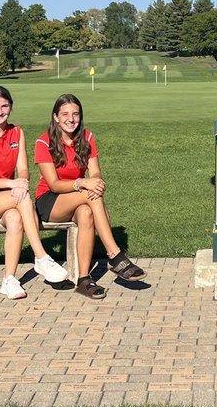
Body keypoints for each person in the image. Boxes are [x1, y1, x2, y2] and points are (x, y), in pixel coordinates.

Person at [34, 94, 145, 300]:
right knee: (89, 195)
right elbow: (54, 185)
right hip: (50, 200)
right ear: (55, 117)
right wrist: (82, 183)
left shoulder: (87, 137)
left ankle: (83, 280)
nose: (71, 119)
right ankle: (114, 255)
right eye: (65, 114)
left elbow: (95, 173)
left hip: (80, 197)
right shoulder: (44, 141)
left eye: (75, 114)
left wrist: (96, 182)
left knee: (86, 212)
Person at [0, 85, 70, 300]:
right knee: (22, 197)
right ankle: (41, 257)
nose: (0, 111)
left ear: (11, 107)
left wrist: (21, 181)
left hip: (10, 197)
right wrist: (14, 184)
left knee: (14, 219)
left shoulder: (17, 132)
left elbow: (23, 168)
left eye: (4, 105)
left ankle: (9, 280)